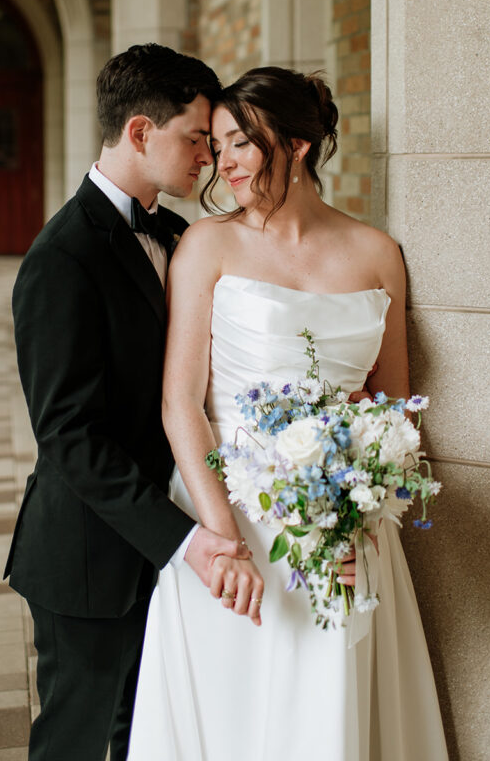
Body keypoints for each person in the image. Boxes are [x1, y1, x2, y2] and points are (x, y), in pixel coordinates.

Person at [128, 66, 448, 761]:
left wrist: (356, 520)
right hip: (230, 517)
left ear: (297, 144)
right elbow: (180, 402)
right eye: (216, 145)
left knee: (327, 714)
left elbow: (392, 409)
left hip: (343, 528)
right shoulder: (207, 246)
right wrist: (221, 540)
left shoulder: (377, 254)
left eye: (240, 142)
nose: (223, 163)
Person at [4, 44, 261, 761]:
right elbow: (67, 435)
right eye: (196, 140)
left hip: (175, 545)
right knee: (83, 741)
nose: (208, 160)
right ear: (142, 132)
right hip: (89, 558)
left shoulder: (180, 237)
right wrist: (183, 538)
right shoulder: (60, 258)